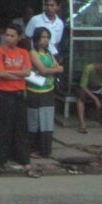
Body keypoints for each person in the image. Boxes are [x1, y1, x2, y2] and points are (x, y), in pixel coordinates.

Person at [0, 24, 38, 178]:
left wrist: (10, 72)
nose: (9, 38)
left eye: (12, 35)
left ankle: (24, 159)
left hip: (19, 94)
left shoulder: (23, 52)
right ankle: (1, 161)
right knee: (3, 128)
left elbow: (27, 72)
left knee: (21, 129)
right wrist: (18, 73)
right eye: (7, 35)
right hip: (4, 94)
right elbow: (0, 73)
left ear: (18, 37)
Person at [27, 27, 62, 157]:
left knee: (47, 120)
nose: (45, 40)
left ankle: (45, 150)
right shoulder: (33, 52)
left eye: (47, 37)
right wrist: (54, 69)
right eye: (43, 37)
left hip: (48, 90)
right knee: (34, 120)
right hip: (35, 90)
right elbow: (43, 70)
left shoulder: (49, 53)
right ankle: (32, 149)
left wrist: (52, 69)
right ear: (37, 39)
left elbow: (56, 66)